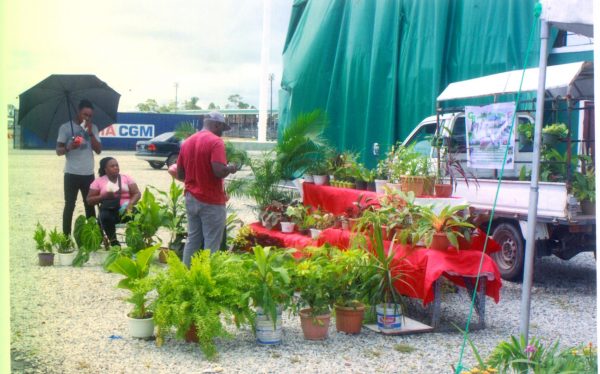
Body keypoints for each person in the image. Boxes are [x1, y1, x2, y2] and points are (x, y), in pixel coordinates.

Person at [171, 112, 237, 267]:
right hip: (211, 200)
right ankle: (208, 280)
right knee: (212, 243)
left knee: (193, 239)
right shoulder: (216, 142)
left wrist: (196, 180)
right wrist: (231, 168)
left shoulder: (187, 142)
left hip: (191, 197)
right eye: (222, 128)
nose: (222, 132)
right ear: (216, 125)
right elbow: (218, 171)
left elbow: (180, 173)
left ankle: (186, 276)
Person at [56, 99, 102, 235]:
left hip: (88, 174)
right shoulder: (65, 127)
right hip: (71, 173)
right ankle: (66, 237)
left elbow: (98, 150)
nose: (87, 118)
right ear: (78, 112)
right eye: (84, 114)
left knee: (90, 205)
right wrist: (69, 147)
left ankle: (93, 237)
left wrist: (90, 134)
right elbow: (58, 151)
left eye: (89, 115)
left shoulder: (93, 128)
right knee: (69, 205)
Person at [86, 157, 141, 246]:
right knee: (105, 217)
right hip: (109, 210)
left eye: (117, 165)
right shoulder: (99, 181)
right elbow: (89, 200)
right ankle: (114, 242)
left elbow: (137, 193)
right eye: (112, 166)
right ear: (105, 169)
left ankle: (136, 242)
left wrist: (131, 203)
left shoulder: (126, 178)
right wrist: (103, 196)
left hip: (126, 209)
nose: (116, 167)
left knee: (139, 216)